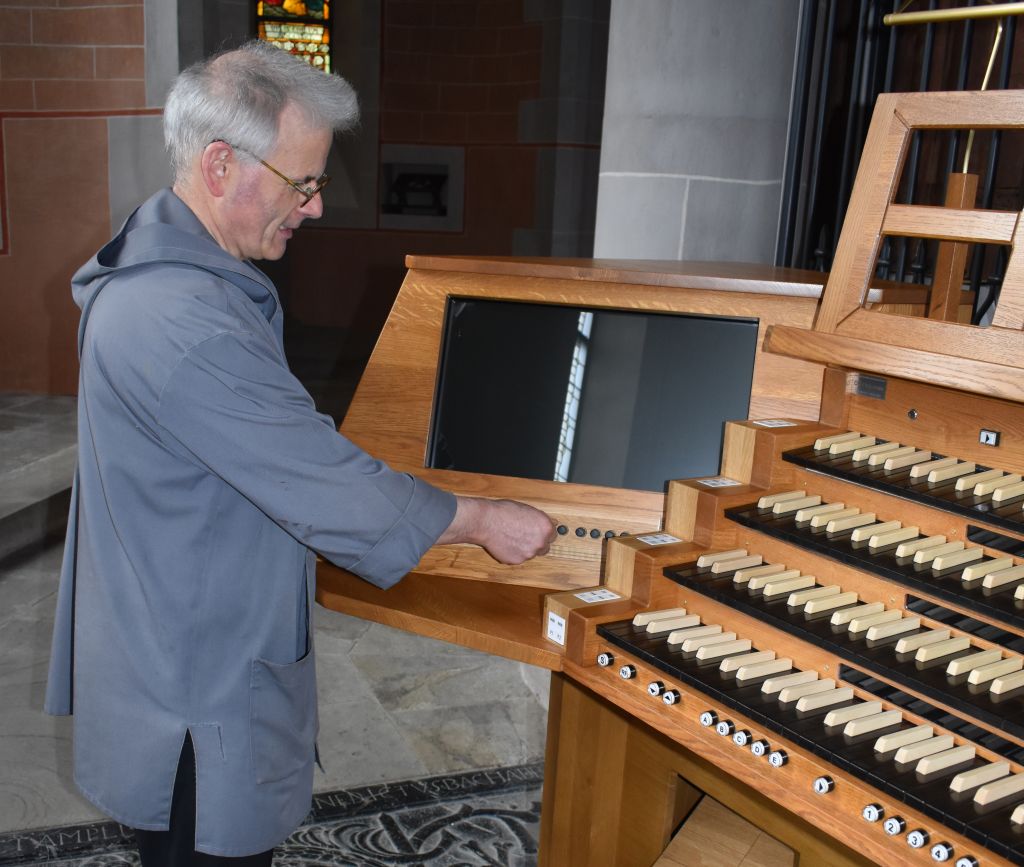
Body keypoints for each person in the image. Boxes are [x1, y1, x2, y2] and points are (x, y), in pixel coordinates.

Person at [44, 40, 555, 865]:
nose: (315, 207)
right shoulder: (181, 317)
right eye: (303, 181)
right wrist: (483, 520)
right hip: (192, 694)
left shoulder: (170, 255)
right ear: (218, 166)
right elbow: (322, 484)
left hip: (177, 645)